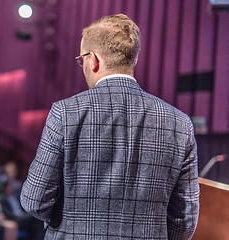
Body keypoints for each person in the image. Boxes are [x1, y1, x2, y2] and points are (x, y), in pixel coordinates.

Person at [20, 14, 199, 239]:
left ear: (93, 60)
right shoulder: (180, 124)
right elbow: (185, 220)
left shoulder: (65, 113)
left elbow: (34, 201)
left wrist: (74, 223)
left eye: (81, 60)